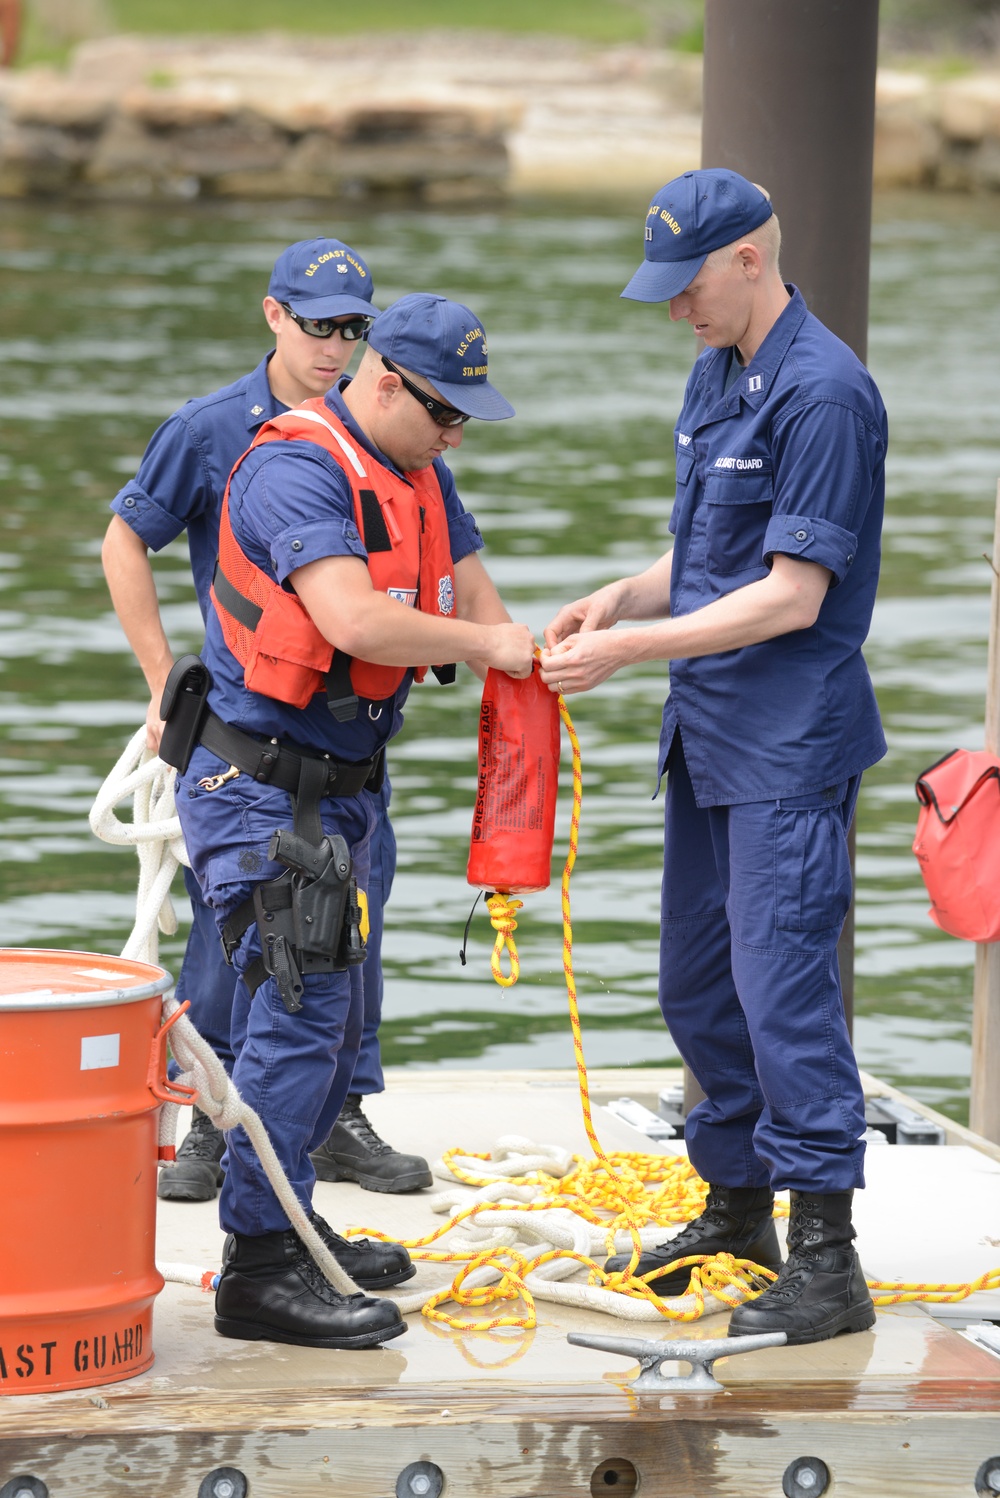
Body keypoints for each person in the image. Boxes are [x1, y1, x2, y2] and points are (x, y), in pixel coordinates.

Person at [539, 169, 887, 1347]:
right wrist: (618, 594)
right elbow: (704, 553)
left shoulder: (824, 394)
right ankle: (737, 1209)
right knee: (697, 983)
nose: (674, 307)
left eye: (686, 284)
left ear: (748, 258)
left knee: (783, 989)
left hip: (786, 744)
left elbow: (792, 595)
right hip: (707, 738)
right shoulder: (715, 371)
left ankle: (827, 1253)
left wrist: (633, 645)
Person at [171, 291, 535, 1347]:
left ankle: (293, 1221)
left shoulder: (422, 471)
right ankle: (258, 1268)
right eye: (445, 412)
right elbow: (352, 616)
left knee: (332, 1027)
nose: (456, 432)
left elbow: (478, 602)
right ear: (384, 383)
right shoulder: (294, 466)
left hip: (345, 790)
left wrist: (529, 650)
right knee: (295, 1017)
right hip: (259, 792)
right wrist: (486, 649)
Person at [102, 237, 432, 1208]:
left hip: (346, 737)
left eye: (354, 329)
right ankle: (216, 1114)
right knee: (233, 923)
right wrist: (163, 678)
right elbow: (127, 538)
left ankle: (341, 1112)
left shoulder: (382, 432)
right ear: (273, 315)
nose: (335, 345)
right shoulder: (212, 428)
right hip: (244, 732)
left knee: (353, 916)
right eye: (317, 324)